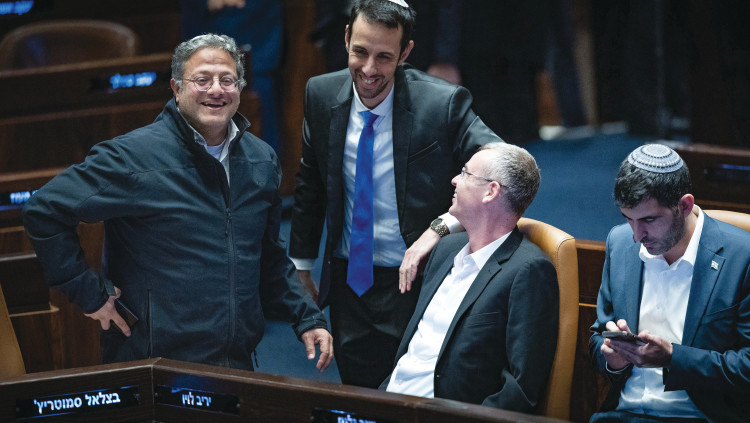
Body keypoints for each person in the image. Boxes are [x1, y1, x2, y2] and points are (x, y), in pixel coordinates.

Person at [22, 34, 333, 372]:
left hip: (236, 362)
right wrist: (88, 294)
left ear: (240, 88)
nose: (216, 90)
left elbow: (269, 256)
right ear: (176, 88)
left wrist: (307, 317)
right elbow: (45, 209)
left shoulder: (261, 160)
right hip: (156, 365)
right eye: (202, 79)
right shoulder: (132, 157)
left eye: (227, 80)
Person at [289, 0, 499, 388]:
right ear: (346, 38)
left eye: (384, 57)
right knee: (359, 396)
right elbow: (311, 183)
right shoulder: (320, 94)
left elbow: (503, 167)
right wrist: (302, 266)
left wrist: (440, 228)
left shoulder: (441, 103)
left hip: (418, 281)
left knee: (412, 395)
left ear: (405, 53)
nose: (369, 69)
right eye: (360, 52)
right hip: (349, 282)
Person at [382, 143, 559, 412]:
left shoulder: (528, 270)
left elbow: (522, 389)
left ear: (491, 191)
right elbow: (412, 352)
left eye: (465, 173)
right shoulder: (444, 249)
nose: (454, 179)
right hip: (388, 402)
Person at [589, 144, 750, 422]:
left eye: (649, 219)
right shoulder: (620, 243)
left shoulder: (742, 257)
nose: (637, 235)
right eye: (629, 219)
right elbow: (597, 336)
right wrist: (614, 360)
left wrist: (673, 358)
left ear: (684, 206)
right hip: (621, 413)